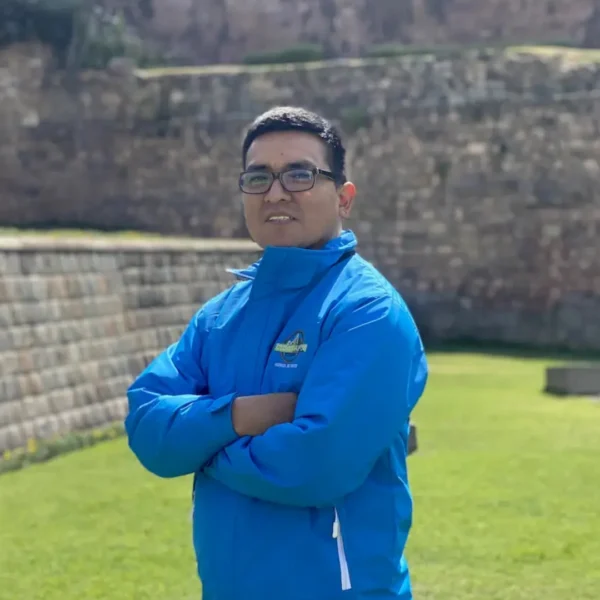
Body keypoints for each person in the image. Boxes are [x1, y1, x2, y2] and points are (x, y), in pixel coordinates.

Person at [124, 106, 428, 600]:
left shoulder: (367, 312)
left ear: (344, 198)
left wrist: (199, 444)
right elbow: (145, 425)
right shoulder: (219, 317)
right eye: (258, 177)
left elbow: (315, 464)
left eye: (300, 174)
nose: (276, 192)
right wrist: (238, 417)